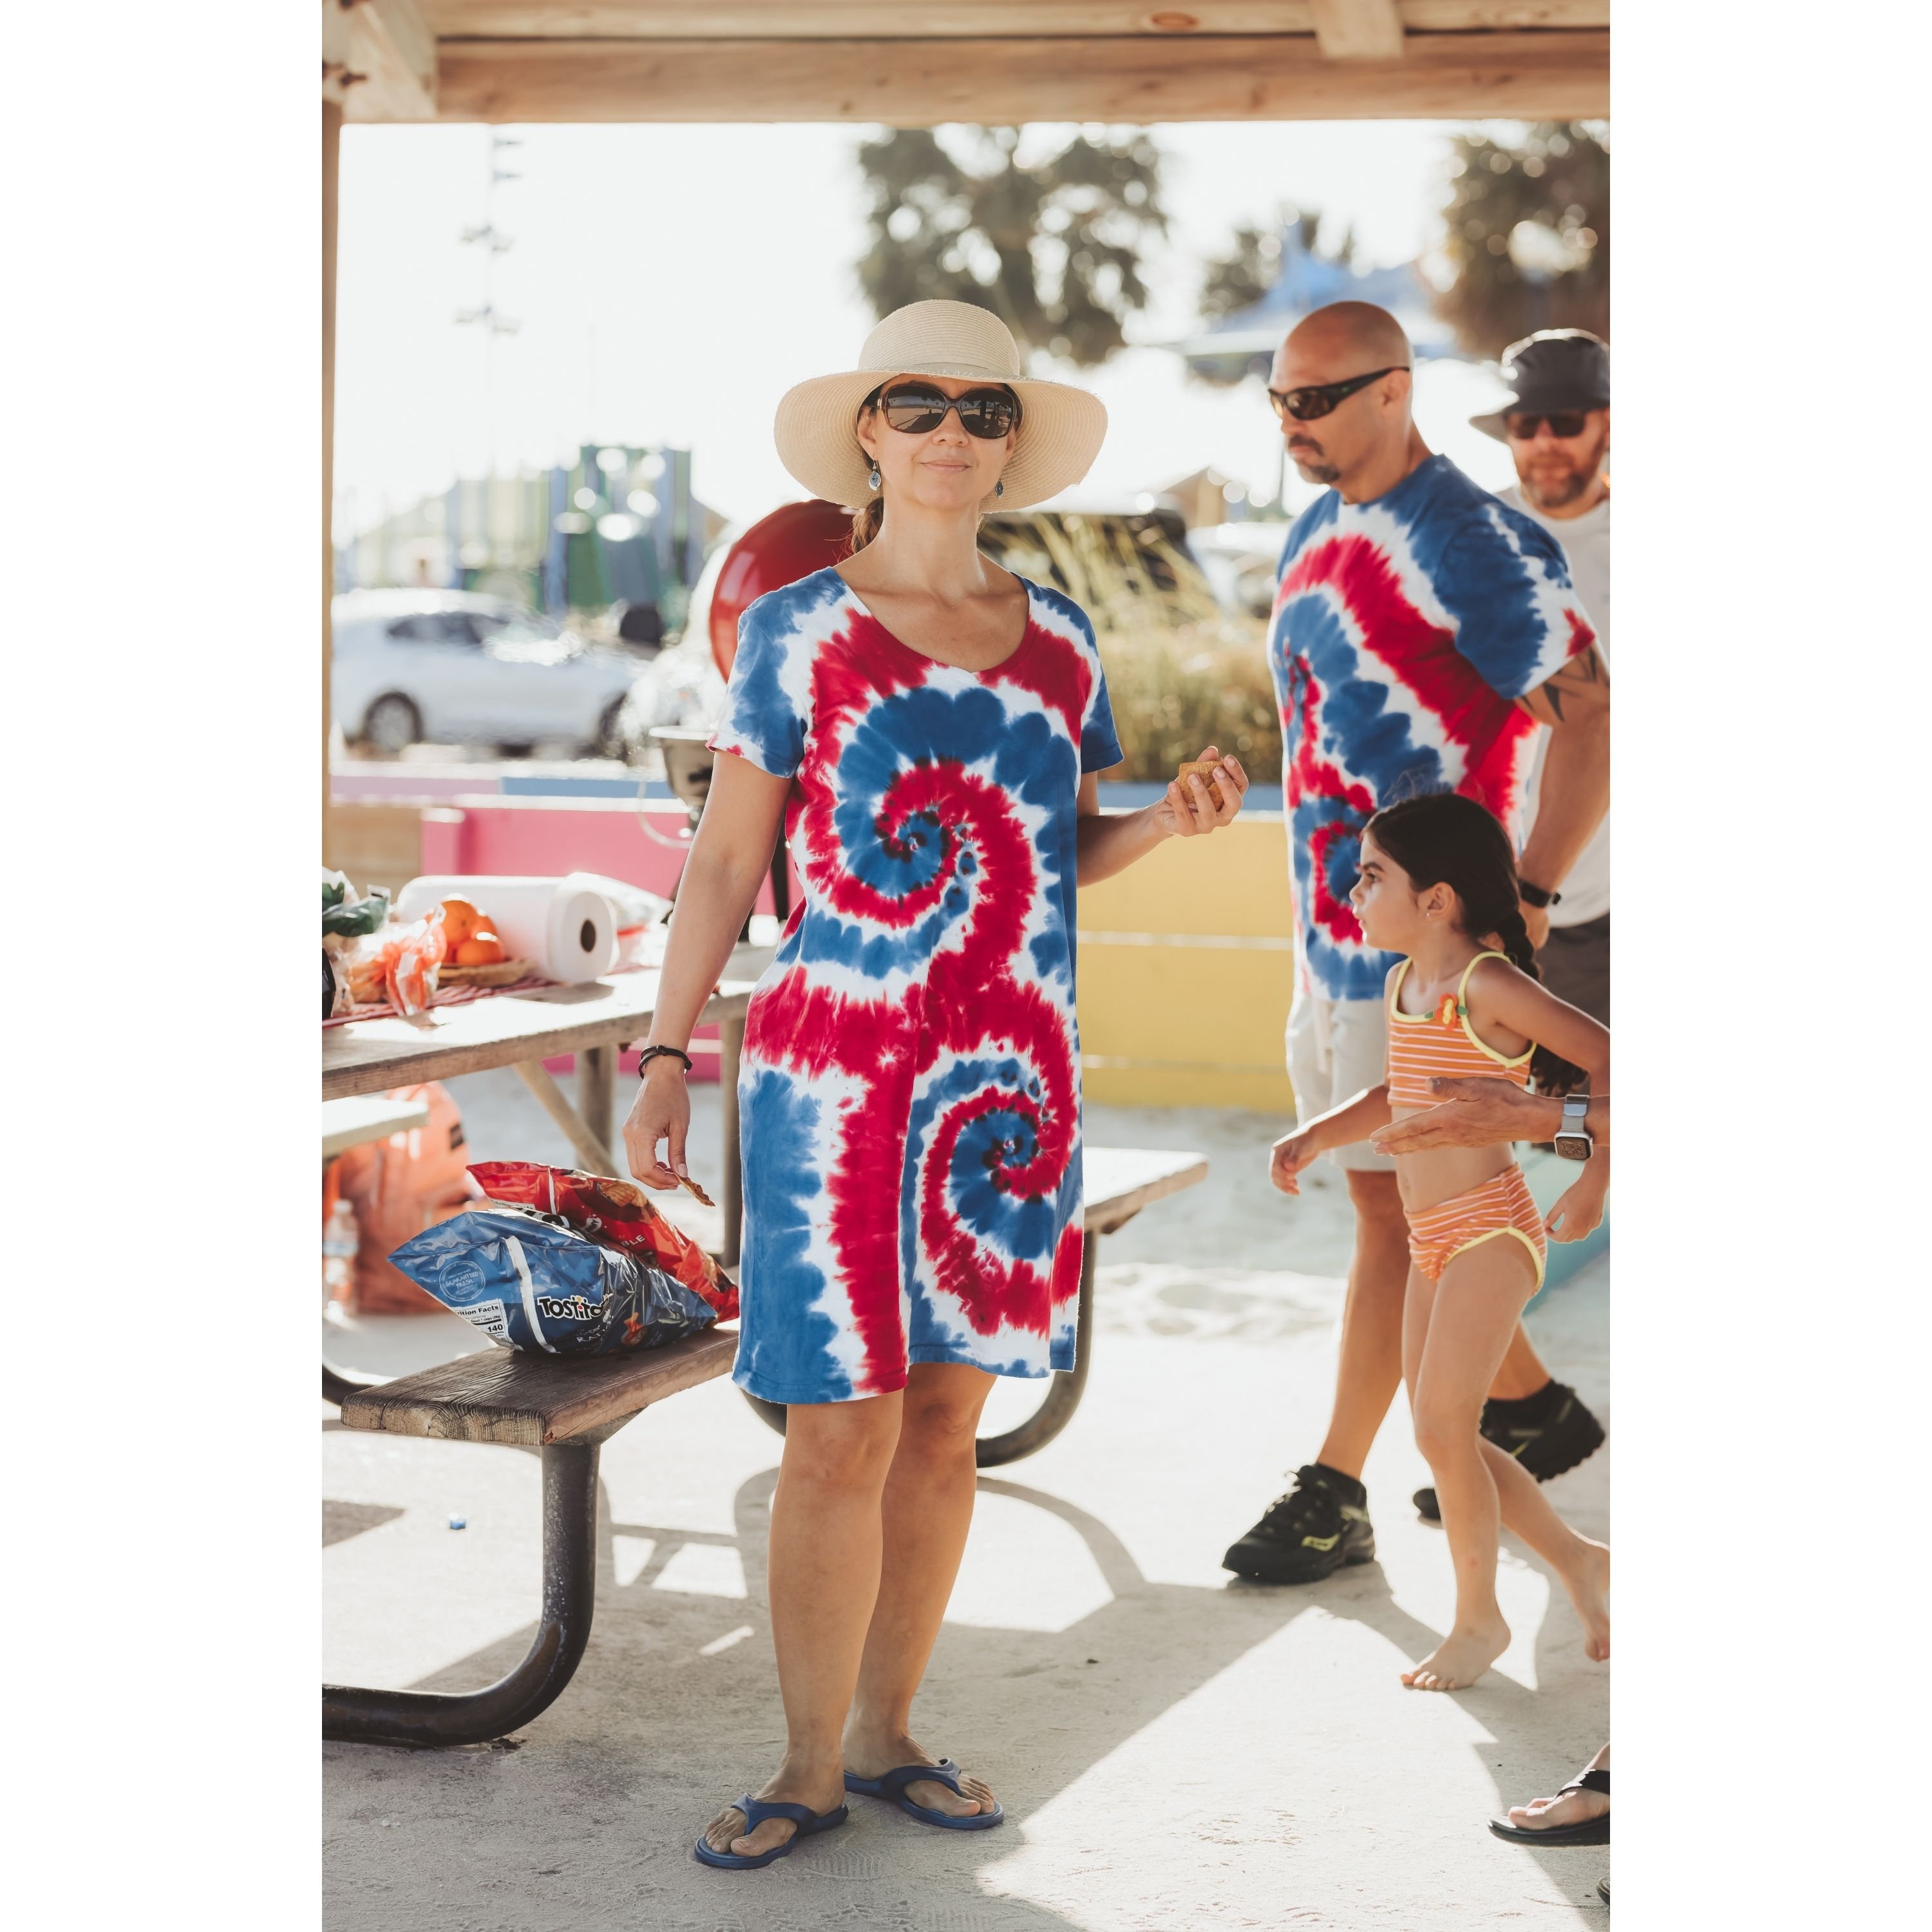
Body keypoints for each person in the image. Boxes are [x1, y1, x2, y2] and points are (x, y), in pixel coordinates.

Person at [621, 300, 1249, 1871]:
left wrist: (1165, 823)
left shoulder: (1062, 642)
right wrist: (661, 1049)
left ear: (1006, 444)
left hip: (1010, 1077)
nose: (953, 433)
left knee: (950, 1416)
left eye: (982, 410)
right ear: (870, 434)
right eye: (921, 404)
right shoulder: (798, 629)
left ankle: (893, 1733)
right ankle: (806, 1761)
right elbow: (723, 857)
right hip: (836, 1074)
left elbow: (1061, 848)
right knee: (838, 1423)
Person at [1224, 301, 1611, 1586]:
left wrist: (1533, 899)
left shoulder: (1471, 539)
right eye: (1278, 401)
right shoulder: (1314, 527)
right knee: (1402, 1216)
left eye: (1317, 399)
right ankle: (1534, 1411)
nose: (1293, 423)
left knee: (1399, 1229)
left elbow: (1594, 719)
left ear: (1397, 391)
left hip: (1430, 961)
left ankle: (1337, 1488)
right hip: (1329, 946)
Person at [1269, 791, 1611, 1690]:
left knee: (1445, 1427)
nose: (1353, 892)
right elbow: (1400, 1094)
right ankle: (1580, 1561)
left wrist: (1593, 1173)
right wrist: (1318, 1133)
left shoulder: (1486, 985)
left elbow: (1616, 1065)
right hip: (1430, 1236)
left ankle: (1477, 1620)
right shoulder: (1404, 983)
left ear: (1438, 899)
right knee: (1442, 1433)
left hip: (1493, 1229)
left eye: (1373, 875)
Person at [1473, 329, 1612, 1027]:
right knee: (1476, 1125)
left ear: (1610, 424)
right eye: (1526, 425)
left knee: (1605, 1128)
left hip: (1607, 911)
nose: (1545, 441)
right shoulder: (1475, 535)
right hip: (1480, 906)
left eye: (1567, 421)